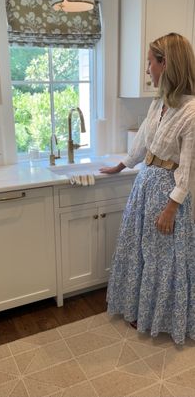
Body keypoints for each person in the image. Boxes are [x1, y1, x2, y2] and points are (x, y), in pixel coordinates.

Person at [100, 32, 195, 345]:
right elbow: (142, 141)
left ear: (165, 64)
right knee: (139, 251)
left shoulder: (192, 111)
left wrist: (172, 207)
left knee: (163, 259)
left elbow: (189, 167)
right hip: (144, 187)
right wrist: (122, 165)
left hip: (168, 195)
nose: (146, 70)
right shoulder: (159, 104)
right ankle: (140, 308)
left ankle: (165, 317)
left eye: (150, 63)